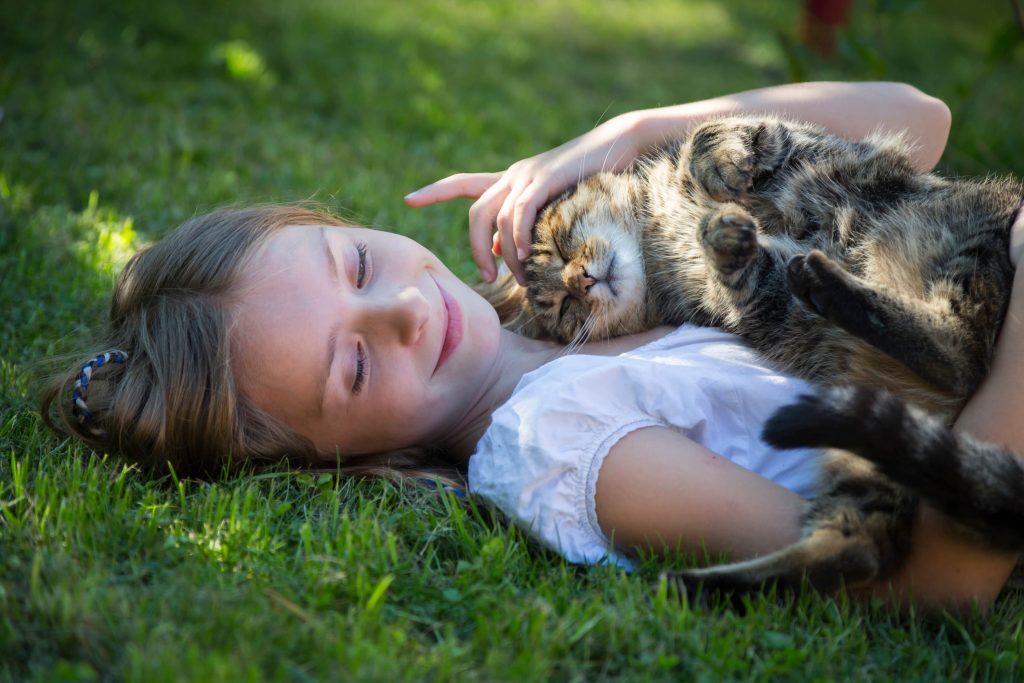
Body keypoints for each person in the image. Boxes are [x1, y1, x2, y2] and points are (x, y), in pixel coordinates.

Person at [42, 82, 1024, 610]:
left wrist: (637, 130)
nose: (402, 311)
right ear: (342, 454)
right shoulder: (561, 434)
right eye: (352, 365)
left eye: (352, 265)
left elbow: (914, 122)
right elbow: (935, 578)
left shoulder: (574, 277)